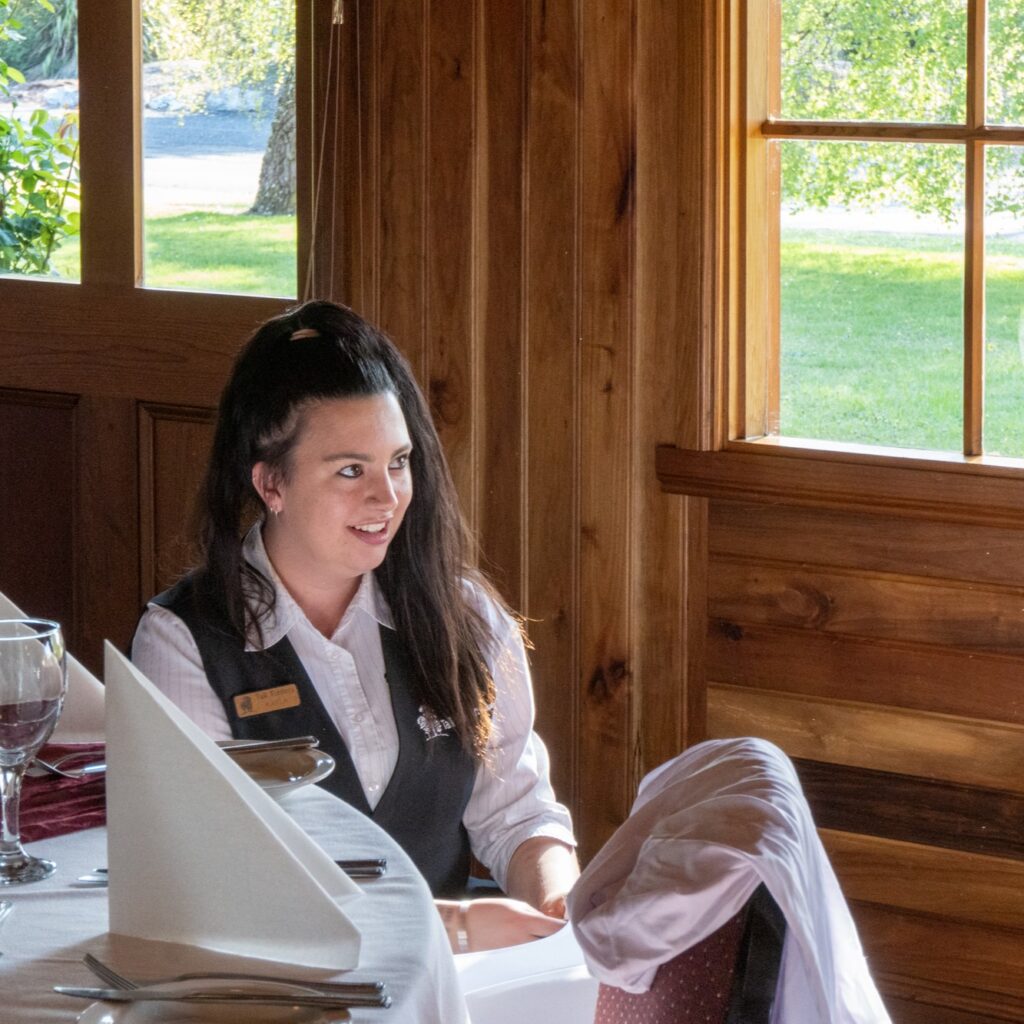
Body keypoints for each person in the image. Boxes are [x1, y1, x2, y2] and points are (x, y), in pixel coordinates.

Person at [132, 300, 578, 953]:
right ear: (270, 484)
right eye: (350, 470)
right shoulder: (183, 644)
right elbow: (227, 883)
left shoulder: (465, 617)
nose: (387, 496)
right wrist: (450, 927)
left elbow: (517, 810)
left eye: (397, 462)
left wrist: (558, 900)